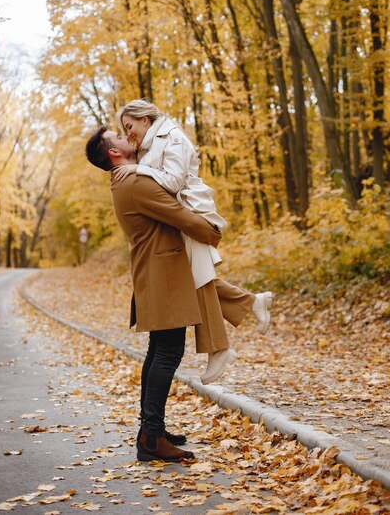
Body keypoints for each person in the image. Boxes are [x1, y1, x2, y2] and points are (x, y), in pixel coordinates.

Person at [85, 127, 270, 462]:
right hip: (163, 277)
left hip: (158, 274)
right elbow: (179, 214)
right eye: (119, 136)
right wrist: (211, 232)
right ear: (113, 152)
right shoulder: (133, 182)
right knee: (167, 353)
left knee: (159, 352)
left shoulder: (126, 179)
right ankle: (152, 438)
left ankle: (151, 431)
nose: (127, 138)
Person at [114, 100, 271, 378]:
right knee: (196, 278)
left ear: (145, 120)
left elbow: (173, 182)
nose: (128, 135)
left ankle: (220, 347)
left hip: (194, 210)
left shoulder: (172, 136)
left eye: (129, 127)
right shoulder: (152, 142)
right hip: (184, 214)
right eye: (123, 131)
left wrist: (139, 170)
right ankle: (248, 306)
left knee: (198, 278)